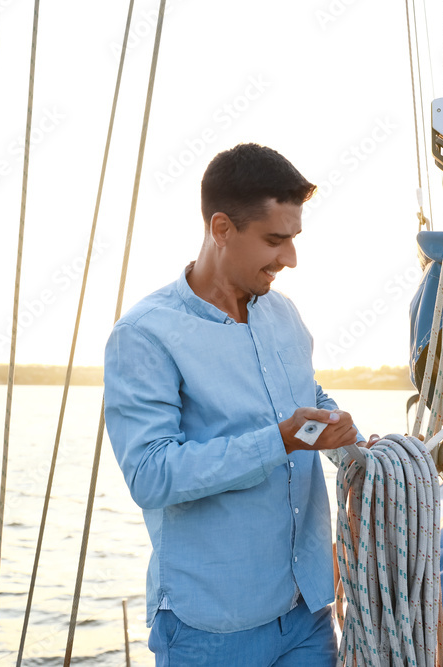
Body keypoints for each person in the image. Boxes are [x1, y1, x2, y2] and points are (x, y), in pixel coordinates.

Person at [104, 143, 374, 665]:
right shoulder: (144, 335)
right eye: (275, 240)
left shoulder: (284, 314)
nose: (290, 259)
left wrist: (352, 444)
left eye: (293, 239)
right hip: (212, 628)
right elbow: (151, 475)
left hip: (306, 610)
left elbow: (307, 399)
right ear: (222, 229)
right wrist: (279, 441)